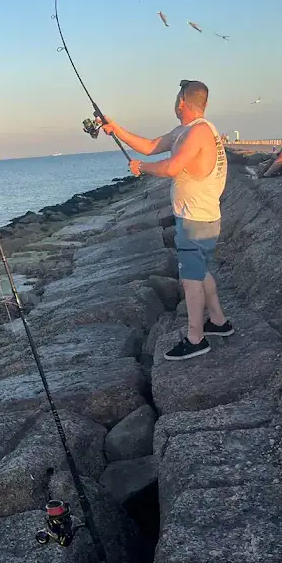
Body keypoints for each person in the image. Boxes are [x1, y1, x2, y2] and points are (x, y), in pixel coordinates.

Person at [101, 79, 232, 361]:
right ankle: (219, 322)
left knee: (191, 279)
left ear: (182, 101)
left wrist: (141, 169)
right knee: (200, 270)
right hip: (200, 216)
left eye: (177, 96)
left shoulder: (197, 134)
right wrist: (117, 130)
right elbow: (150, 145)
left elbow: (172, 167)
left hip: (195, 220)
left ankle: (196, 338)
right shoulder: (188, 130)